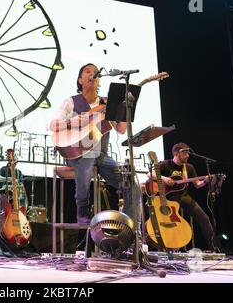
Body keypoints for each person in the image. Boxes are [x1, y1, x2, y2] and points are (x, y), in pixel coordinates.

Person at [49, 63, 140, 224]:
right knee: (88, 156)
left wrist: (125, 109)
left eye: (95, 72)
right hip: (76, 152)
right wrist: (78, 120)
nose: (93, 73)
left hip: (101, 155)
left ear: (99, 81)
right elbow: (53, 125)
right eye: (87, 71)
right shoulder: (71, 102)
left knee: (132, 184)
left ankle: (129, 224)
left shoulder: (108, 103)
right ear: (80, 80)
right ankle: (82, 210)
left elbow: (121, 129)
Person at [154, 142, 218, 252]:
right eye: (184, 153)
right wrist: (165, 179)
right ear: (175, 153)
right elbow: (150, 174)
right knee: (173, 223)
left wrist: (205, 181)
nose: (187, 155)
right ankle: (168, 247)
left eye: (188, 153)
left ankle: (214, 248)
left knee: (205, 219)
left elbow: (197, 184)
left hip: (184, 197)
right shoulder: (165, 164)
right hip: (168, 199)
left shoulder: (189, 167)